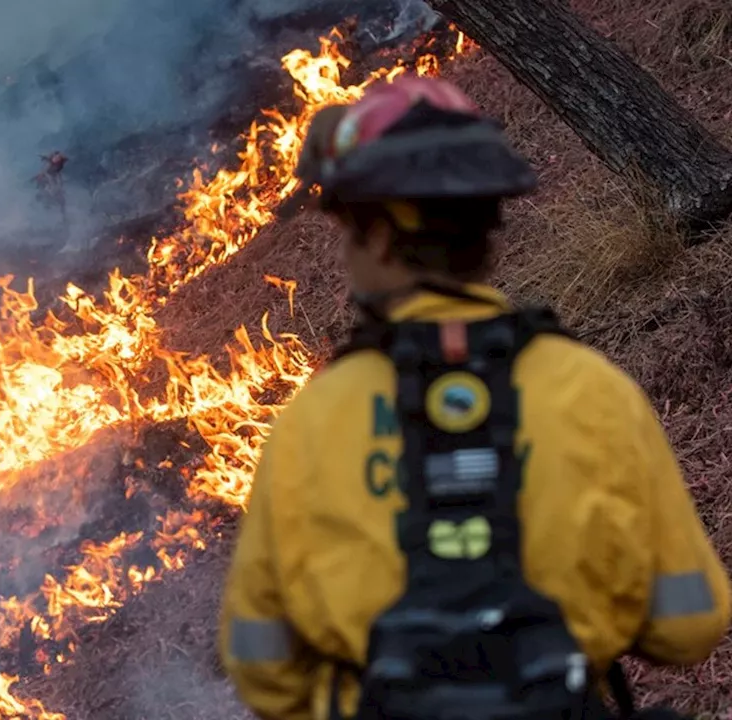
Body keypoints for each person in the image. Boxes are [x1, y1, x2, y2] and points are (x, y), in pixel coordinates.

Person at [219, 76, 731, 720]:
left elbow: (261, 665)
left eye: (348, 228)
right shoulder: (589, 389)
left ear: (378, 235)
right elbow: (689, 626)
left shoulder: (314, 420)